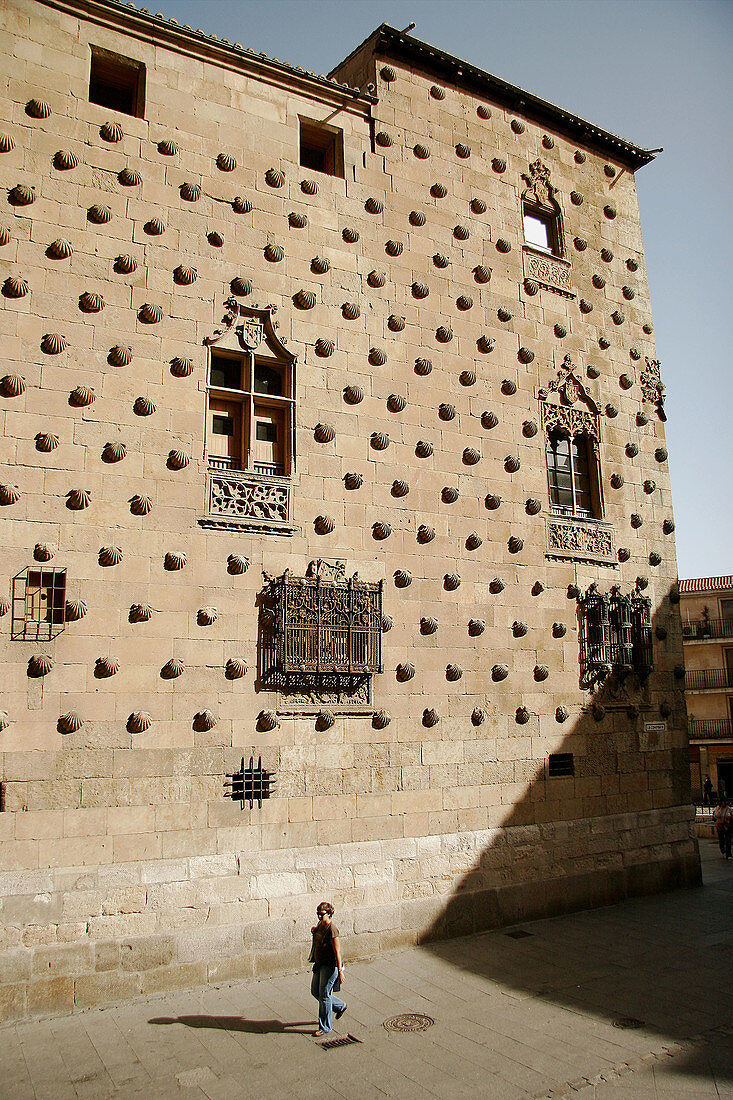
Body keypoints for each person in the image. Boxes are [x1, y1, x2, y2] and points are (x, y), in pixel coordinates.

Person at [309, 901, 346, 1037]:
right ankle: (339, 1006)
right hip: (319, 963)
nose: (319, 917)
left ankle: (325, 1027)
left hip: (330, 966)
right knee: (315, 991)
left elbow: (337, 952)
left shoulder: (332, 930)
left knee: (324, 996)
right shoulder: (320, 925)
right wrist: (314, 931)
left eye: (322, 914)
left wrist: (340, 971)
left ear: (329, 914)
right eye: (318, 914)